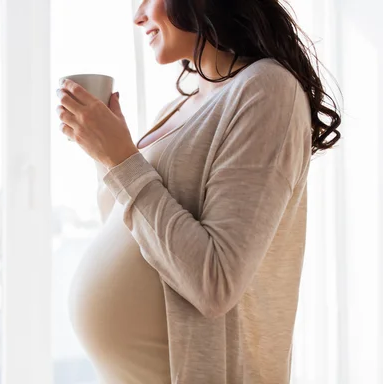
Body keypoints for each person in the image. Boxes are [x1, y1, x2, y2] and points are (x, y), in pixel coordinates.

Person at [55, 0, 342, 382]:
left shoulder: (267, 89)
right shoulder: (180, 106)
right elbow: (137, 227)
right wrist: (104, 152)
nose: (137, 16)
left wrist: (122, 159)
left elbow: (215, 283)